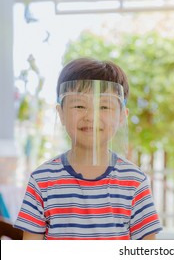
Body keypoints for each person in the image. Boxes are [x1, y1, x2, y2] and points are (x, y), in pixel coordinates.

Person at [14, 58, 162, 240]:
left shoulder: (134, 182)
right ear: (60, 113)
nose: (91, 116)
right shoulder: (42, 181)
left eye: (104, 106)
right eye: (79, 105)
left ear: (122, 116)